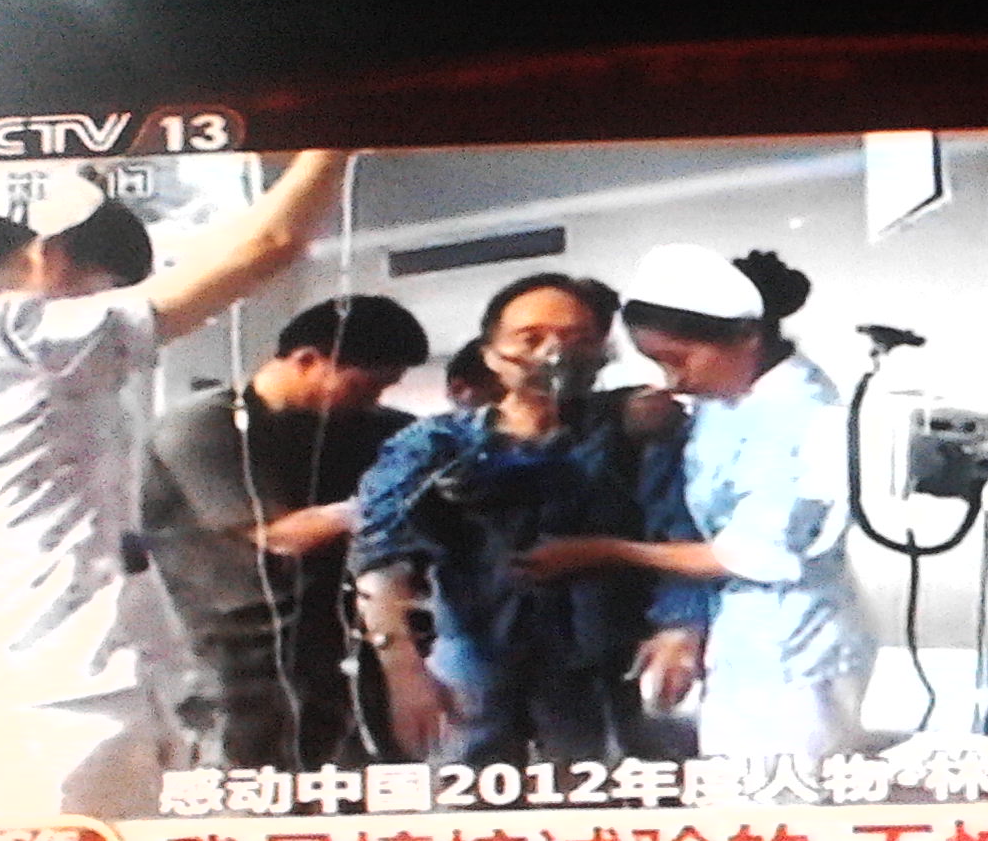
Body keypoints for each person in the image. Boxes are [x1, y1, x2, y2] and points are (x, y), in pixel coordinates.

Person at [0, 150, 348, 820]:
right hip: (64, 702)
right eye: (101, 288)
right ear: (46, 255)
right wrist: (333, 142)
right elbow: (269, 244)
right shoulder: (24, 336)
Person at [514, 245, 875, 766]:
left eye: (677, 360)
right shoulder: (727, 398)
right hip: (746, 632)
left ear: (747, 337)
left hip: (795, 643)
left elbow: (748, 553)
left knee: (777, 792)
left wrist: (598, 551)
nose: (673, 380)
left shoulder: (801, 415)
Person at [350, 273, 706, 770]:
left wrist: (682, 628)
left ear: (602, 349)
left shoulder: (635, 433)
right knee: (465, 799)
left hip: (601, 667)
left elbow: (682, 527)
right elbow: (378, 557)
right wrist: (404, 671)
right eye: (530, 338)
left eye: (577, 339)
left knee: (600, 797)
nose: (554, 354)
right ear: (492, 354)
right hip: (475, 662)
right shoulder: (435, 445)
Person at [142, 295, 430, 770]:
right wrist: (388, 501)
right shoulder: (205, 427)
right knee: (252, 791)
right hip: (232, 659)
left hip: (340, 652)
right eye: (361, 385)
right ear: (306, 360)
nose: (372, 400)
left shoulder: (371, 428)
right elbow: (281, 535)